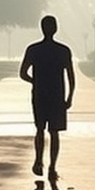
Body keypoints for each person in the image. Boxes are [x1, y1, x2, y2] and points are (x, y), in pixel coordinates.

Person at [19, 15, 76, 179]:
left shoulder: (34, 49)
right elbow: (71, 77)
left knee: (39, 129)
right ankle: (52, 167)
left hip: (39, 94)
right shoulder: (63, 51)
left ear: (41, 28)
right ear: (56, 29)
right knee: (55, 132)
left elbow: (23, 73)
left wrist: (35, 81)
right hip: (57, 95)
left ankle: (38, 161)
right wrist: (70, 97)